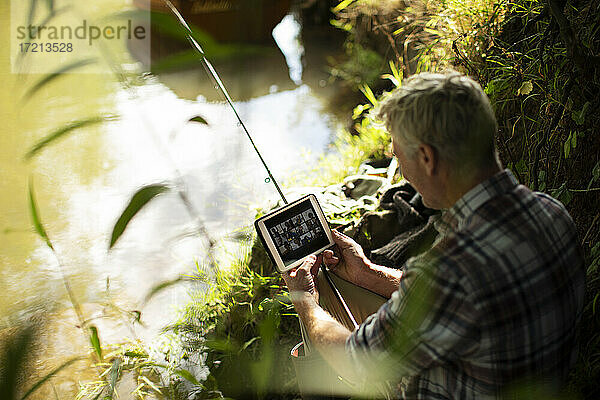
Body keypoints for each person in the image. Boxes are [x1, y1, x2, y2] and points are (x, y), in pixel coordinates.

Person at [282, 71, 586, 399]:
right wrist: (368, 273)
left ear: (427, 158)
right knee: (347, 282)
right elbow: (463, 298)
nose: (399, 167)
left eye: (398, 155)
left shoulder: (449, 270)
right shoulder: (553, 213)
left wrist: (304, 300)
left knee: (325, 291)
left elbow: (357, 361)